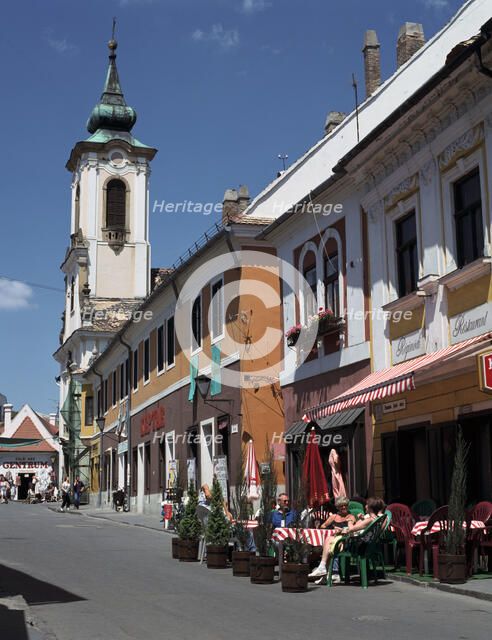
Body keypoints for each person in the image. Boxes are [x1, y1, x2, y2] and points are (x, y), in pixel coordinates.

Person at [308, 496, 386, 581]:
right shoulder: (376, 519)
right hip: (363, 544)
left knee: (330, 541)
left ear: (371, 508)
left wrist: (349, 521)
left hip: (357, 546)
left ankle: (326, 570)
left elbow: (352, 528)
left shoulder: (369, 519)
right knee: (330, 540)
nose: (365, 506)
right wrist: (360, 520)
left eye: (367, 505)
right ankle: (325, 572)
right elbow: (358, 528)